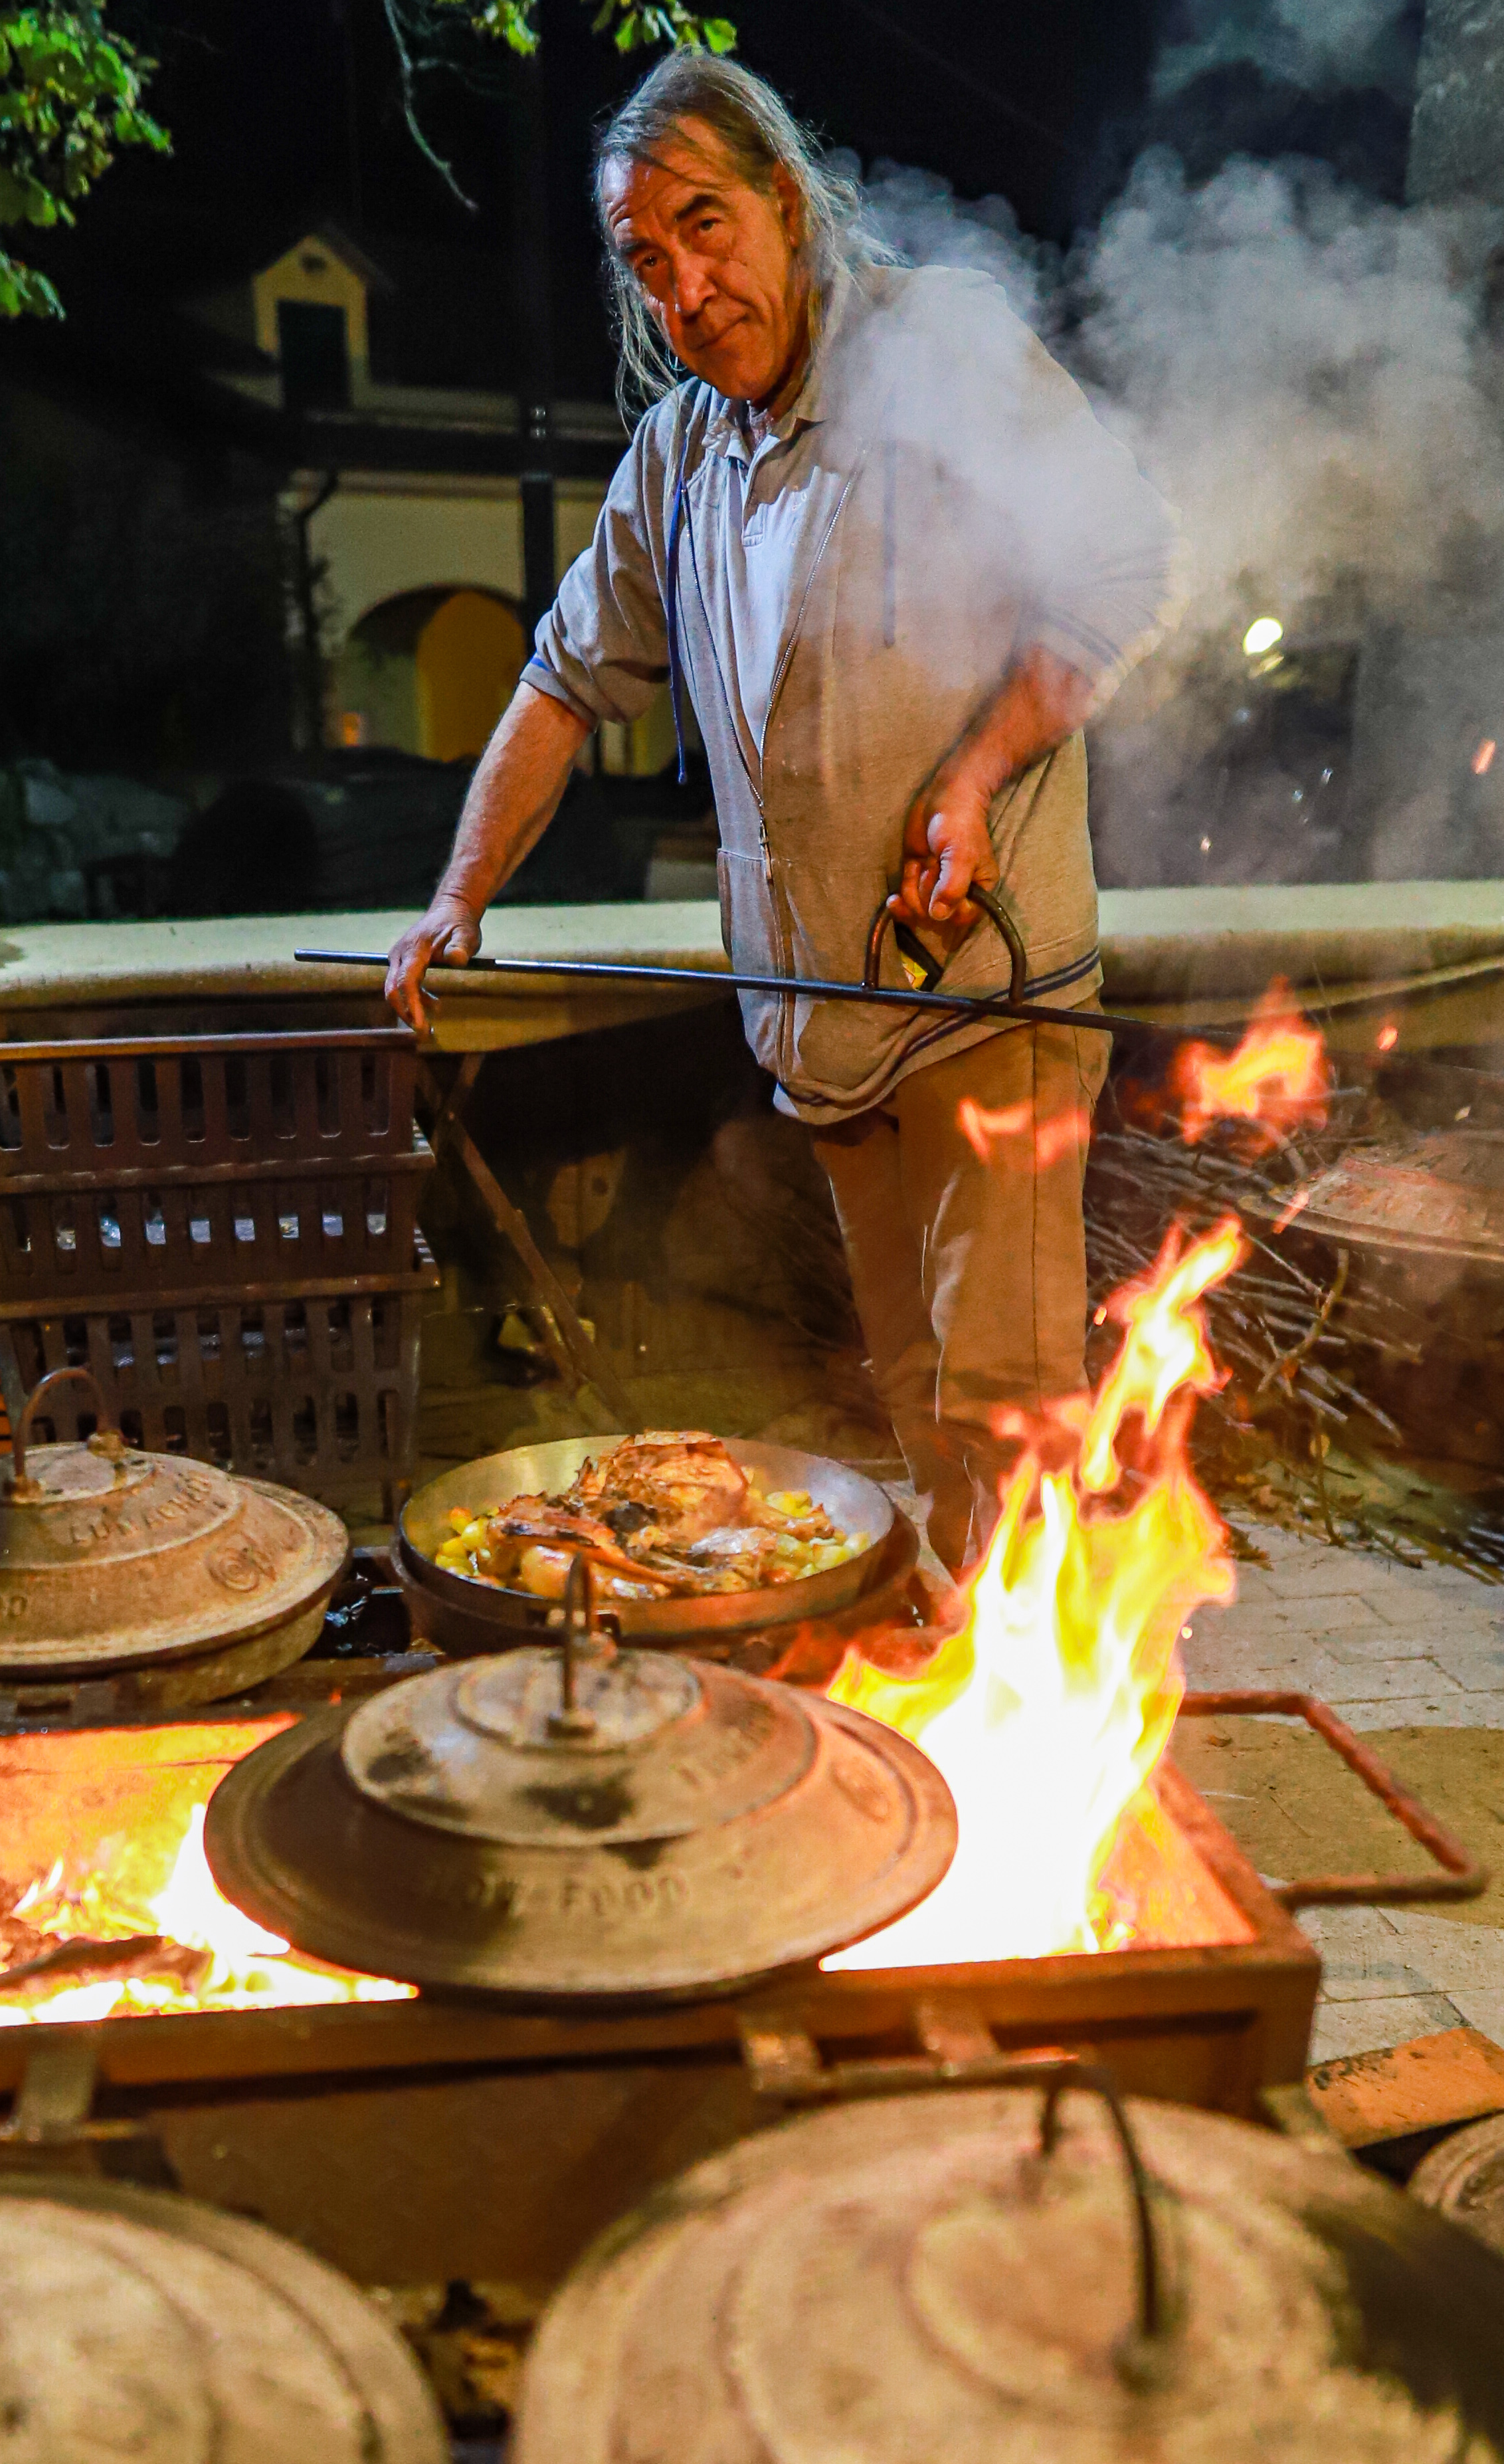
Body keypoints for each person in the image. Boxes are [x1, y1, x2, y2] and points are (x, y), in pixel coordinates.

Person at [386, 51, 1178, 1578]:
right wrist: (453, 899)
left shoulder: (931, 348)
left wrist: (970, 773)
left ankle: (1030, 1715)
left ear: (786, 204)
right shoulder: (679, 455)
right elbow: (558, 684)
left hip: (986, 991)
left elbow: (1121, 559)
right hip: (815, 1013)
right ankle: (969, 1653)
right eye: (645, 260)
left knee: (1002, 1397)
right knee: (910, 1393)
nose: (685, 284)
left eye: (705, 225)